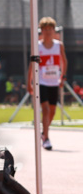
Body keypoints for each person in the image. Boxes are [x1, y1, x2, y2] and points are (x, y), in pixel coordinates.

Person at [28, 17, 67, 151]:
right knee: (45, 109)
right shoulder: (37, 46)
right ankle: (47, 138)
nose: (48, 32)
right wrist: (30, 82)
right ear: (41, 31)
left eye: (50, 29)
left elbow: (64, 61)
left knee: (52, 111)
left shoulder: (59, 45)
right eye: (45, 29)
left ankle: (44, 132)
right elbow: (32, 65)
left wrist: (63, 77)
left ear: (54, 30)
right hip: (42, 82)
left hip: (54, 82)